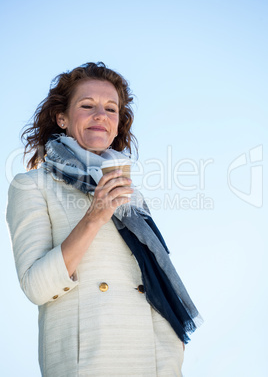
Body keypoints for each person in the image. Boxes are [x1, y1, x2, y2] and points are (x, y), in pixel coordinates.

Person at [6, 62, 202, 377]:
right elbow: (35, 286)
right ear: (62, 118)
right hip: (91, 360)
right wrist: (94, 217)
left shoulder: (130, 193)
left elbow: (152, 279)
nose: (101, 115)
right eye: (87, 105)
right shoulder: (31, 186)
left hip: (158, 361)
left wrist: (172, 343)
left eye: (111, 109)